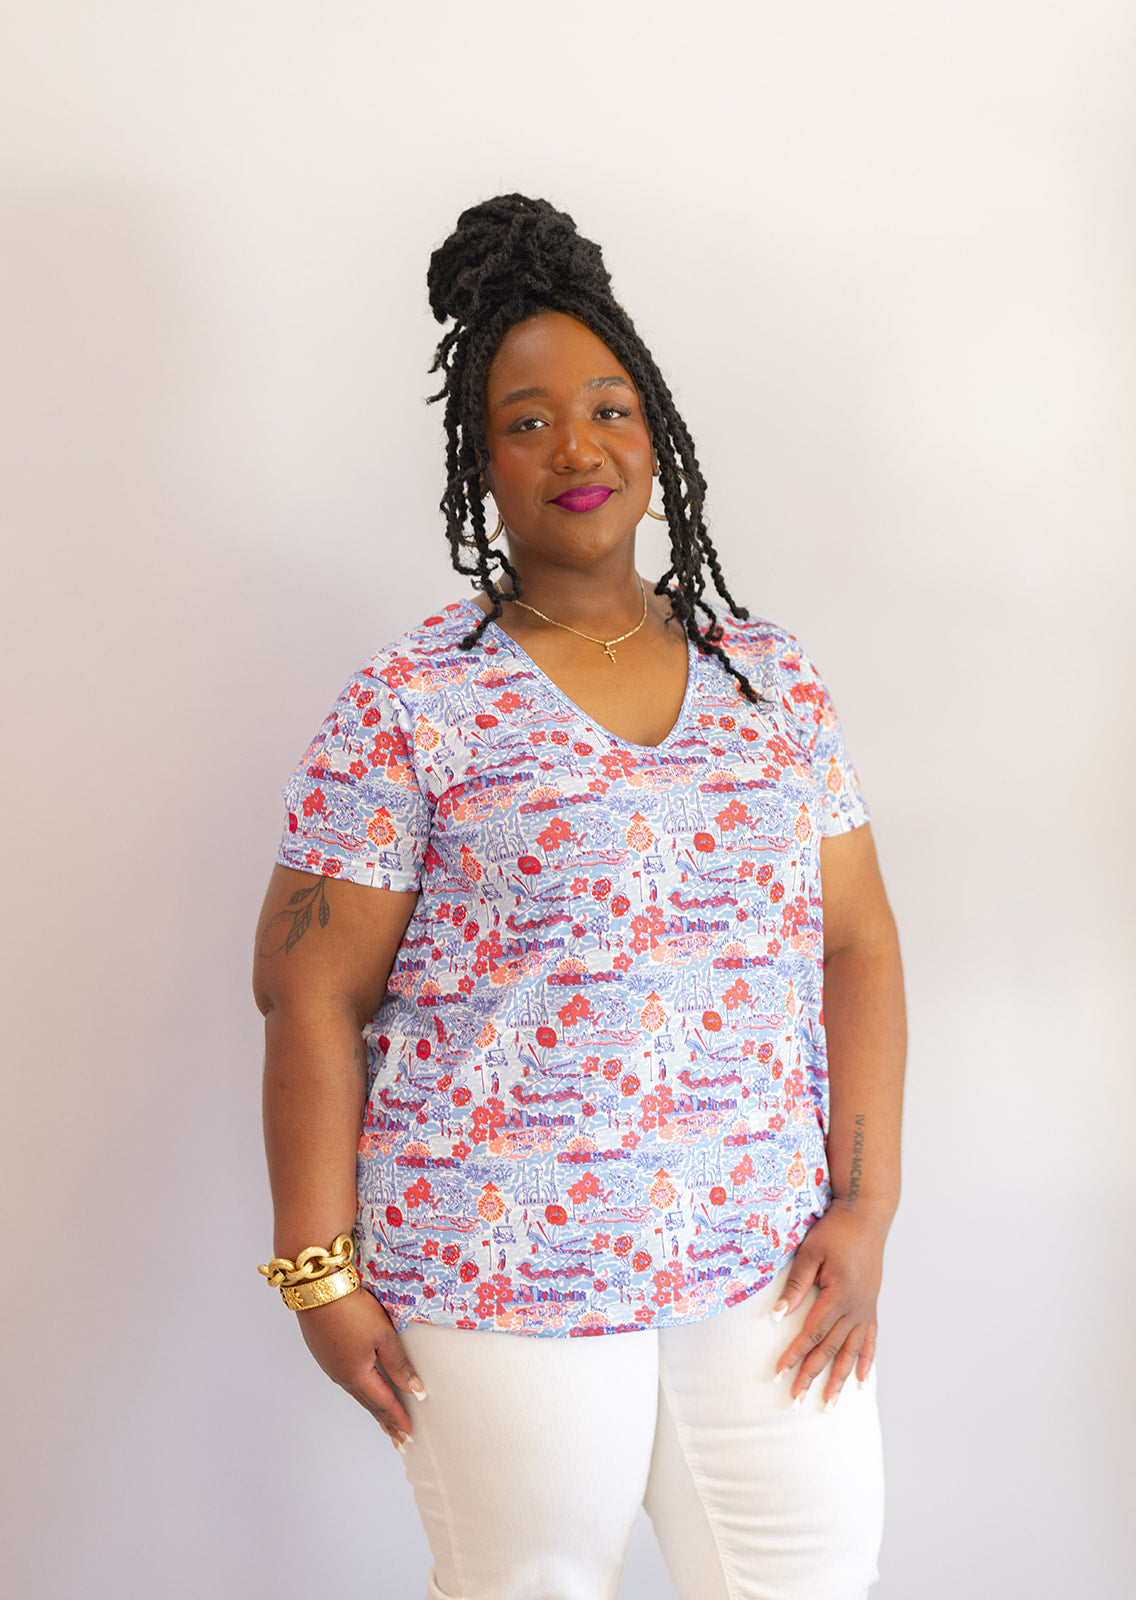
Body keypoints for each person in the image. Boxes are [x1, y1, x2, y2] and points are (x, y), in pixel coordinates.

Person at [253, 194, 906, 1600]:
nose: (577, 446)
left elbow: (855, 942)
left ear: (655, 433)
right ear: (479, 459)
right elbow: (306, 987)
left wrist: (866, 1206)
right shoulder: (411, 703)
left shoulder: (771, 681)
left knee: (813, 1574)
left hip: (763, 1257)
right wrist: (318, 1271)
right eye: (528, 420)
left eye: (610, 408)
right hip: (502, 1264)